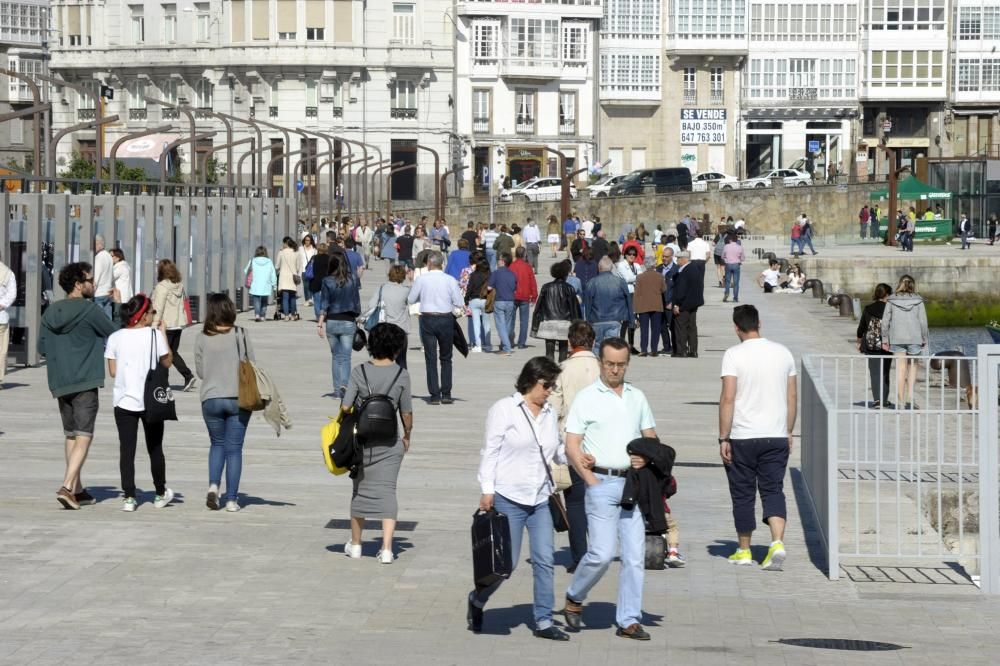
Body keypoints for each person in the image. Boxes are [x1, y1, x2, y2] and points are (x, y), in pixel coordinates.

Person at [562, 338, 658, 640]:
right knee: (602, 554)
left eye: (621, 365)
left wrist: (647, 454)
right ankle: (575, 595)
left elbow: (651, 437)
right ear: (600, 363)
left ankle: (629, 619)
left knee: (633, 556)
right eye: (610, 364)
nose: (615, 370)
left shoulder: (637, 396)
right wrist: (589, 479)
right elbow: (571, 444)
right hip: (601, 481)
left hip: (632, 485)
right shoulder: (587, 397)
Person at [470, 356, 569, 641]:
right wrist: (487, 489)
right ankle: (477, 600)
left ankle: (543, 620)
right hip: (508, 498)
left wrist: (576, 454)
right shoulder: (504, 409)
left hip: (539, 499)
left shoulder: (549, 413)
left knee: (544, 560)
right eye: (546, 384)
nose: (549, 390)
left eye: (552, 385)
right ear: (531, 380)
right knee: (504, 566)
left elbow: (556, 451)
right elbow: (490, 451)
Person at [718, 304, 797, 570]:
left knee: (743, 494)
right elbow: (792, 397)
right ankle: (777, 542)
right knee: (773, 489)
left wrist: (723, 437)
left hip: (743, 436)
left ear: (736, 327)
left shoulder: (733, 355)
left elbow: (728, 397)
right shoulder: (783, 353)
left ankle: (744, 550)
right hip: (775, 434)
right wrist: (788, 430)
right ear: (759, 323)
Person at [39, 262, 119, 509]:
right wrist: (116, 306)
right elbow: (114, 333)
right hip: (85, 379)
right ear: (78, 284)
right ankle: (66, 485)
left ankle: (77, 488)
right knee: (84, 435)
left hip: (60, 381)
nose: (93, 284)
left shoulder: (50, 312)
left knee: (71, 434)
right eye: (90, 280)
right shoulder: (89, 310)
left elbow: (42, 348)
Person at [341, 323, 414, 564]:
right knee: (388, 491)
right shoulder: (401, 374)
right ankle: (386, 549)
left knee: (359, 490)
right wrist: (407, 436)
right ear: (396, 347)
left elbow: (345, 406)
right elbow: (406, 413)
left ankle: (357, 544)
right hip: (390, 440)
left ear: (371, 345)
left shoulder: (358, 371)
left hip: (362, 442)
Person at [105, 293, 174, 512]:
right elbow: (168, 362)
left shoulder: (115, 337)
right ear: (143, 316)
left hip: (124, 401)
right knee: (155, 448)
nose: (154, 315)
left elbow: (113, 372)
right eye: (152, 312)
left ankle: (129, 497)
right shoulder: (154, 335)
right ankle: (160, 493)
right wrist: (163, 333)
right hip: (150, 401)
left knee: (127, 450)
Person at [547, 321, 600, 572]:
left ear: (570, 342)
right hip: (603, 444)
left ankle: (579, 556)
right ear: (593, 341)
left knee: (576, 503)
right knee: (601, 500)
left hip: (573, 444)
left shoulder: (563, 370)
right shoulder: (604, 367)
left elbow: (554, 409)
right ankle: (601, 549)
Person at [195, 294, 254, 512]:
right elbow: (251, 365)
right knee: (234, 449)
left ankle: (213, 486)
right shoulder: (241, 333)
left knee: (217, 444)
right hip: (238, 397)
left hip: (210, 398)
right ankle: (231, 500)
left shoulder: (201, 337)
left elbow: (200, 372)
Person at [407, 251, 464, 404]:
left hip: (428, 318)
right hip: (445, 319)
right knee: (446, 358)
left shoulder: (422, 280)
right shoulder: (450, 280)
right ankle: (446, 393)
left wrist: (423, 296)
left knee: (430, 358)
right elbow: (459, 302)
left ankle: (434, 395)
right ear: (441, 264)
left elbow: (411, 299)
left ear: (430, 264)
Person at [881, 274, 929, 409]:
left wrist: (885, 339)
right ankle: (910, 396)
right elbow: (923, 322)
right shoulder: (918, 301)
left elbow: (885, 322)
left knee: (900, 369)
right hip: (914, 338)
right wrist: (924, 338)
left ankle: (900, 401)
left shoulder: (891, 300)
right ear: (913, 285)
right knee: (912, 369)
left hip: (896, 338)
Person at [317, 254, 362, 399]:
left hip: (332, 322)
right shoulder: (353, 279)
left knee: (336, 357)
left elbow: (324, 303)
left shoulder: (327, 281)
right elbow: (356, 300)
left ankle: (336, 390)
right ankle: (345, 386)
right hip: (348, 320)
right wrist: (357, 316)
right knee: (347, 357)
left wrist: (320, 323)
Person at [152, 259, 196, 392]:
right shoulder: (179, 285)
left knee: (163, 354)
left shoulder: (162, 287)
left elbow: (158, 308)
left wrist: (154, 324)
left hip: (165, 325)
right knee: (173, 352)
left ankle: (163, 382)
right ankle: (188, 375)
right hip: (178, 324)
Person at [531, 260, 582, 362]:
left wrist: (535, 327)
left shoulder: (546, 287)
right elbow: (574, 308)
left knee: (549, 352)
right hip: (564, 323)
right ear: (565, 274)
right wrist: (578, 326)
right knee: (563, 352)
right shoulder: (569, 288)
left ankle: (550, 374)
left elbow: (538, 307)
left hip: (548, 322)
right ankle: (561, 373)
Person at [365, 264, 412, 368]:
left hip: (384, 330)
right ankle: (401, 382)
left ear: (389, 275)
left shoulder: (382, 288)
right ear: (403, 276)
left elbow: (371, 305)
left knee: (382, 360)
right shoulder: (406, 290)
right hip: (401, 329)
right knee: (402, 362)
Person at [583, 256, 633, 353]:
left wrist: (587, 320)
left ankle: (598, 366)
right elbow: (628, 301)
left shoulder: (592, 282)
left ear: (599, 268)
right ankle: (609, 365)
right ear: (611, 268)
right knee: (611, 346)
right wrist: (631, 319)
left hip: (596, 320)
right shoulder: (620, 282)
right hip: (615, 320)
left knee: (597, 346)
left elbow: (587, 303)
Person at [857, 283, 894, 409]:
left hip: (871, 345)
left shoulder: (868, 308)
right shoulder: (890, 309)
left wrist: (859, 341)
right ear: (887, 295)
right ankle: (884, 399)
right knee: (885, 372)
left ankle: (877, 400)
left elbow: (861, 327)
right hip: (886, 345)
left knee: (874, 373)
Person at [671, 251, 704, 358]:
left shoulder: (685, 271)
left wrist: (676, 304)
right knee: (692, 327)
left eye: (678, 258)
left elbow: (681, 290)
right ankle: (693, 351)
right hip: (693, 303)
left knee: (681, 327)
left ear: (684, 259)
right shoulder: (694, 269)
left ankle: (681, 351)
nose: (677, 260)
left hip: (684, 304)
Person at [633, 256, 665, 356]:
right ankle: (654, 349)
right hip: (656, 305)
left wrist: (636, 310)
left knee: (644, 329)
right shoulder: (660, 276)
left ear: (645, 265)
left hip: (643, 306)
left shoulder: (639, 277)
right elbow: (664, 289)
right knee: (655, 329)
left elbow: (637, 293)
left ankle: (644, 349)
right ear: (654, 264)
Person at [487, 251, 518, 355]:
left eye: (499, 259)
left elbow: (489, 287)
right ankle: (505, 345)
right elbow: (515, 288)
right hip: (511, 301)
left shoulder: (496, 273)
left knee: (500, 325)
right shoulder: (513, 274)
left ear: (503, 262)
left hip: (500, 301)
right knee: (508, 325)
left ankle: (507, 348)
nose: (497, 261)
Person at [615, 246, 642, 353]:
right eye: (629, 254)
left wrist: (636, 277)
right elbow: (627, 278)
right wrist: (637, 277)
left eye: (634, 254)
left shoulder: (636, 265)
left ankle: (631, 345)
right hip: (626, 294)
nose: (632, 256)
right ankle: (621, 343)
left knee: (633, 319)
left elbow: (638, 276)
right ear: (625, 255)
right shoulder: (621, 265)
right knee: (625, 320)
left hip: (635, 293)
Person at [509, 247, 538, 349]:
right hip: (525, 296)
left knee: (510, 320)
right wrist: (534, 296)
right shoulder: (528, 267)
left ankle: (510, 341)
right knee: (524, 321)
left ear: (516, 254)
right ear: (525, 254)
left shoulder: (511, 266)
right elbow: (532, 282)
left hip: (513, 296)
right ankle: (521, 343)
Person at [465, 257, 493, 353]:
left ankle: (478, 345)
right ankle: (488, 345)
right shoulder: (489, 275)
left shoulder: (473, 275)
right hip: (485, 300)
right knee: (486, 323)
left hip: (474, 300)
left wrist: (466, 300)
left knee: (476, 323)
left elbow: (469, 288)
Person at [246, 246, 278, 322]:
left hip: (255, 285)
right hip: (266, 285)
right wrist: (274, 285)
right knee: (264, 301)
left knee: (256, 300)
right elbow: (273, 274)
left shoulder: (252, 261)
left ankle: (257, 315)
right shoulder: (269, 261)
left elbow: (246, 270)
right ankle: (263, 315)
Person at [656, 247, 678, 354]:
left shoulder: (676, 269)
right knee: (662, 326)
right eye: (663, 256)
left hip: (670, 303)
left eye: (666, 256)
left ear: (672, 256)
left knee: (672, 326)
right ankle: (666, 347)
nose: (664, 258)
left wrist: (673, 303)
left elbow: (678, 289)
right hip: (659, 303)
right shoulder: (658, 269)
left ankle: (675, 347)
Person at [0, 251, 16, 388]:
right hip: (1, 317)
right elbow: (12, 294)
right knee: (1, 350)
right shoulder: (7, 273)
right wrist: (2, 304)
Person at [276, 236, 301, 322]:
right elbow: (298, 267)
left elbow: (277, 266)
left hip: (283, 277)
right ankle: (293, 315)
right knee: (292, 298)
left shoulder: (281, 253)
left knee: (285, 298)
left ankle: (286, 316)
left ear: (285, 243)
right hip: (292, 277)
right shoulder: (296, 252)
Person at [92, 235, 115, 319]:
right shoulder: (109, 256)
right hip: (108, 292)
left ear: (98, 244)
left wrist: (92, 289)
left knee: (99, 320)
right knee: (108, 320)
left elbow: (96, 276)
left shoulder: (98, 258)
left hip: (99, 293)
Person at [721, 233, 744, 303]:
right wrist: (739, 259)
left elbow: (722, 256)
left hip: (728, 264)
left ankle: (727, 293)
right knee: (736, 282)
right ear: (736, 240)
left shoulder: (726, 246)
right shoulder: (740, 247)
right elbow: (743, 258)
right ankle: (735, 298)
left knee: (727, 281)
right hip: (736, 265)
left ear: (730, 240)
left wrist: (726, 259)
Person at [110, 248, 134, 316]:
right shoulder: (125, 265)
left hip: (120, 298)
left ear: (118, 257)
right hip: (124, 298)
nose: (109, 258)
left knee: (118, 318)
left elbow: (109, 278)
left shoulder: (120, 267)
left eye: (111, 256)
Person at [299, 234, 318, 306]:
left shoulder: (314, 250)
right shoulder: (300, 249)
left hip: (311, 270)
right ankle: (307, 299)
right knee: (306, 286)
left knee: (311, 285)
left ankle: (310, 299)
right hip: (303, 269)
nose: (307, 242)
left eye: (309, 240)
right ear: (304, 240)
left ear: (311, 241)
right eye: (306, 240)